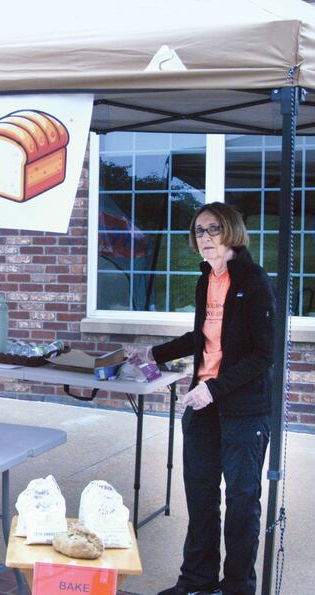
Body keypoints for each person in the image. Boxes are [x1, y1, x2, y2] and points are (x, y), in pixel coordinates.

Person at [129, 202, 276, 595]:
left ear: (230, 232)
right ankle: (197, 581)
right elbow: (204, 338)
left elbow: (264, 355)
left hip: (244, 410)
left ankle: (237, 588)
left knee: (242, 501)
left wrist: (213, 388)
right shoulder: (205, 279)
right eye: (198, 231)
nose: (204, 237)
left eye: (212, 229)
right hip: (204, 406)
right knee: (200, 495)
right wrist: (154, 353)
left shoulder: (255, 281)